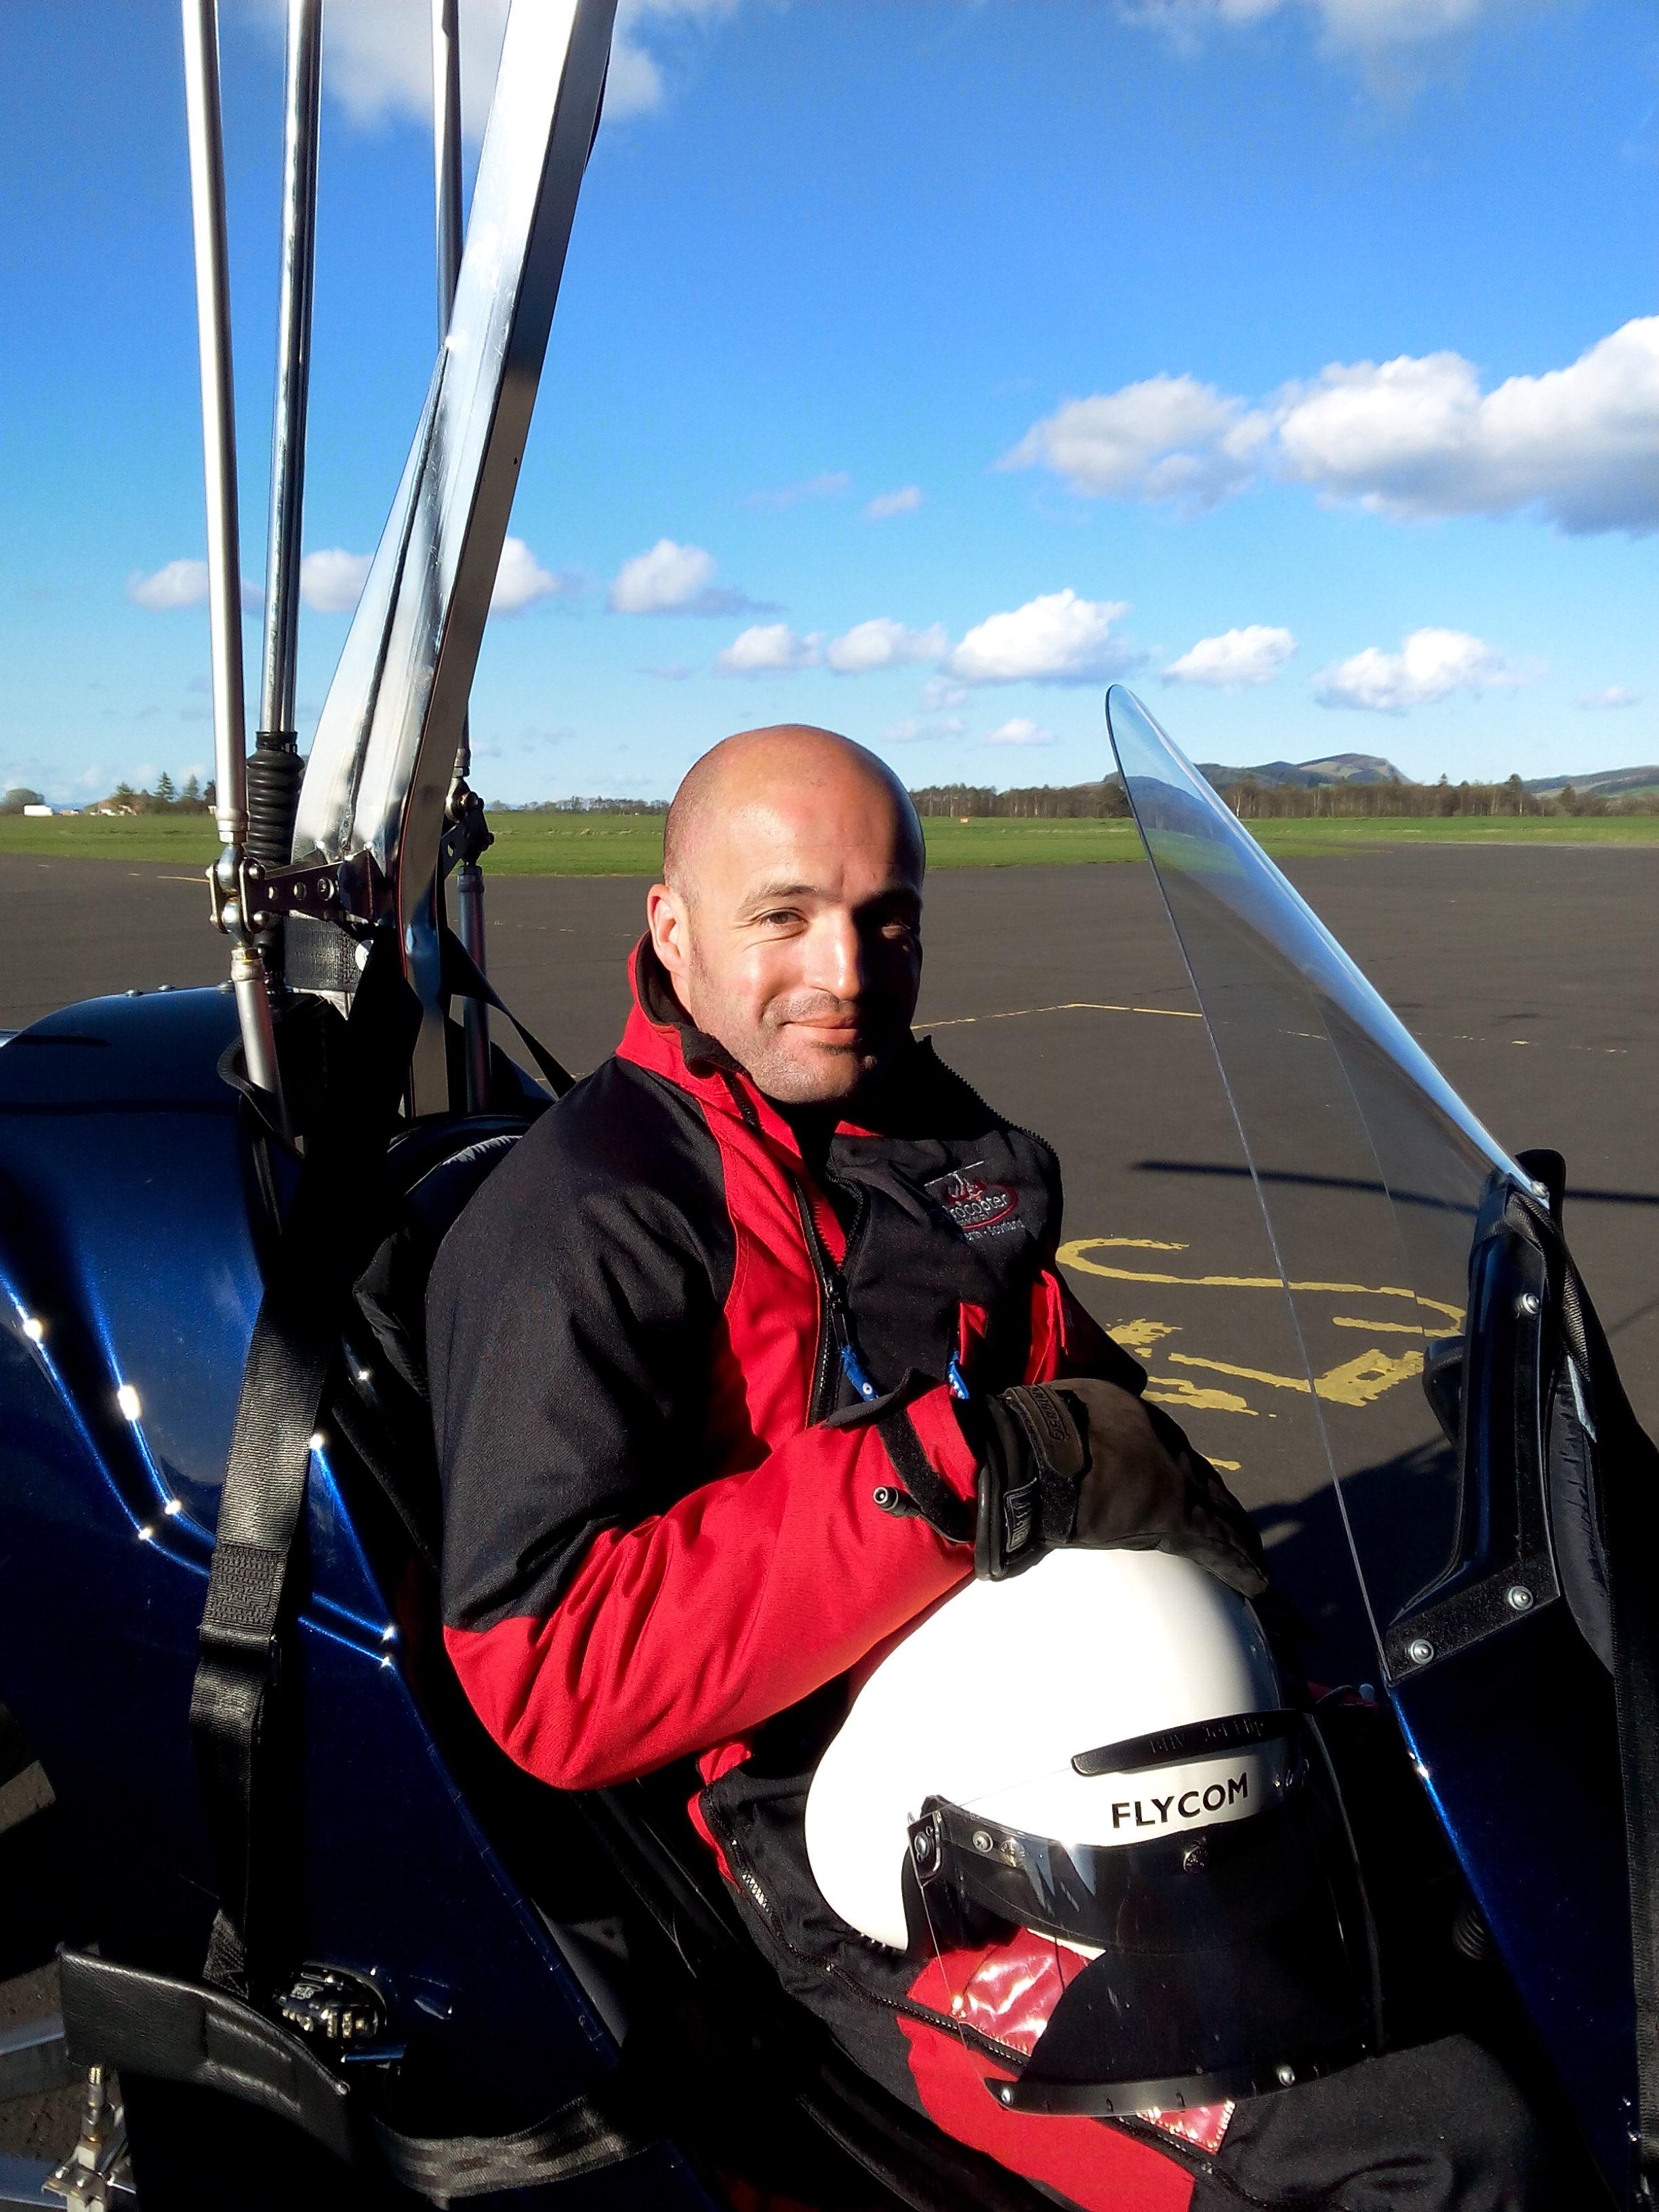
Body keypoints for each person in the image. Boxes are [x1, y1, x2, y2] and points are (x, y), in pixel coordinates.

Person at [427, 724, 1547, 2211]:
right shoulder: (593, 1219)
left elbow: (1078, 1393)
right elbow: (546, 1666)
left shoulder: (929, 1142)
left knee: (1512, 1895)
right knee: (1433, 2152)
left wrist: (1214, 1576)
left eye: (885, 920)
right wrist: (965, 1471)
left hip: (1086, 1746)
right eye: (786, 916)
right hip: (855, 1849)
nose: (845, 970)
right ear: (673, 930)